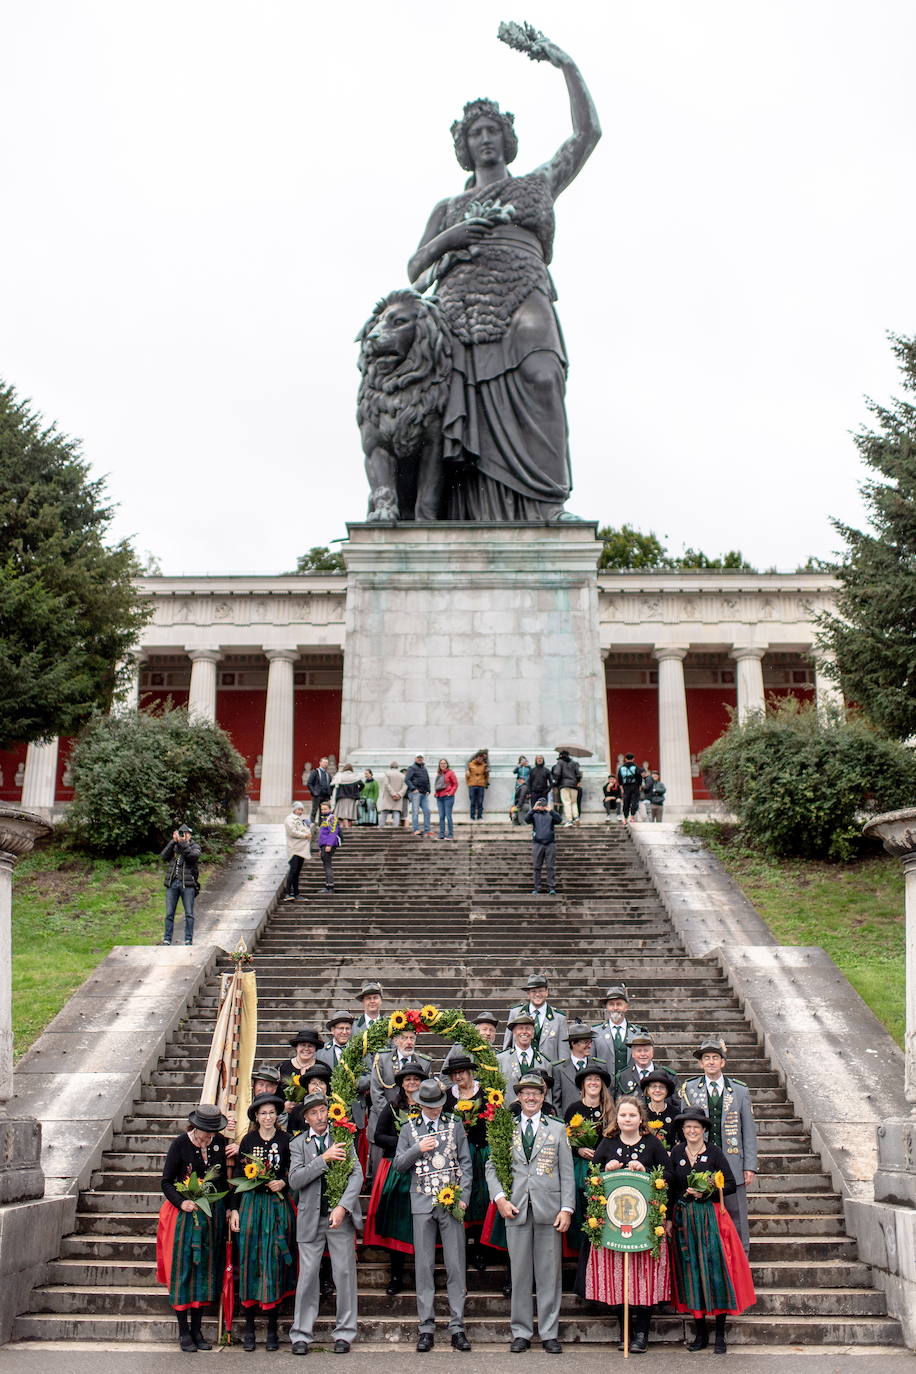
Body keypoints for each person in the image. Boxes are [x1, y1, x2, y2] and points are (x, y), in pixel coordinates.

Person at [406, 35, 600, 521]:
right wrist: (451, 238)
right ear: (464, 146)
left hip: (523, 290)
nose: (486, 138)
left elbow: (587, 134)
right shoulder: (447, 208)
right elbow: (415, 273)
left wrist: (566, 65)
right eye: (476, 133)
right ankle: (465, 514)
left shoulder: (538, 184)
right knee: (459, 406)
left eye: (493, 129)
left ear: (506, 137)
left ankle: (548, 502)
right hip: (461, 307)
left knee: (542, 372)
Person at [485, 1072, 574, 1355]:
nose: (531, 1097)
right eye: (526, 1093)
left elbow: (567, 1173)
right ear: (519, 1097)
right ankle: (521, 1331)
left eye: (536, 1092)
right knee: (520, 1274)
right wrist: (499, 1198)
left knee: (549, 1274)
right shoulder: (504, 1127)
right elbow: (492, 1167)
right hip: (516, 1208)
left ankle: (549, 1332)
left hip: (549, 1209)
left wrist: (567, 1208)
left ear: (543, 1096)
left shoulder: (557, 1129)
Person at [577, 1094, 671, 1354]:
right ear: (616, 1118)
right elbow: (591, 1179)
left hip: (645, 1225)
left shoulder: (653, 1144)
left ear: (641, 1118)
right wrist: (606, 1169)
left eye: (632, 1115)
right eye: (623, 1115)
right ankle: (625, 1331)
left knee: (644, 1278)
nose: (627, 1119)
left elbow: (669, 1176)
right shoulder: (607, 1144)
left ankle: (641, 1332)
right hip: (613, 1227)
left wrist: (648, 1172)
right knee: (620, 1279)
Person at [666, 1108, 756, 1354]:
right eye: (688, 1128)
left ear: (704, 1129)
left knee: (716, 1270)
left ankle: (720, 1334)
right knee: (691, 1271)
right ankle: (700, 1332)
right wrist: (668, 1219)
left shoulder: (714, 1152)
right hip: (685, 1218)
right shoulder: (676, 1153)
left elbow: (728, 1183)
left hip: (710, 1219)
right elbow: (672, 1187)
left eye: (696, 1127)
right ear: (683, 1130)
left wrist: (706, 1190)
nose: (692, 1131)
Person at [394, 1078, 473, 1352]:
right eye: (429, 1106)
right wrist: (418, 1148)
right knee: (424, 1267)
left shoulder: (455, 1124)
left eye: (438, 1105)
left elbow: (465, 1162)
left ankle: (457, 1326)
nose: (435, 1110)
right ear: (419, 1105)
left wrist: (463, 1198)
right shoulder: (409, 1128)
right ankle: (426, 1327)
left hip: (450, 1203)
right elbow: (398, 1165)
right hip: (422, 1203)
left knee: (455, 1265)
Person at [288, 1092, 363, 1355]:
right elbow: (295, 1180)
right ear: (306, 1118)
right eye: (314, 1113)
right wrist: (323, 1159)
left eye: (323, 1111)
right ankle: (301, 1334)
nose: (320, 1117)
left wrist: (343, 1206)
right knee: (307, 1276)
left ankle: (344, 1332)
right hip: (310, 1218)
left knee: (343, 1274)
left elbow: (357, 1175)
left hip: (338, 1217)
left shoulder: (343, 1136)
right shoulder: (298, 1144)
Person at [156, 1103, 229, 1353]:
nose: (207, 1139)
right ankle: (183, 1330)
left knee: (205, 1271)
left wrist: (228, 1207)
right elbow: (166, 1182)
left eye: (211, 1135)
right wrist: (182, 1201)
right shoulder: (180, 1144)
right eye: (204, 1135)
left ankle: (198, 1330)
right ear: (194, 1128)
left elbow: (223, 1182)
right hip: (183, 1216)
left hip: (211, 1215)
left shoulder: (218, 1142)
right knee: (184, 1270)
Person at [228, 1093, 296, 1351]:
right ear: (256, 1117)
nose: (267, 1117)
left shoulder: (285, 1140)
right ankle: (248, 1328)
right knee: (250, 1261)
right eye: (263, 1113)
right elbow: (238, 1179)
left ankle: (271, 1330)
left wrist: (284, 1182)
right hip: (252, 1206)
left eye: (271, 1113)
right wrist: (234, 1210)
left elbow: (294, 1170)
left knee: (273, 1263)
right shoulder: (249, 1140)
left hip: (277, 1206)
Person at [678, 1039, 758, 1254]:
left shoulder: (739, 1091)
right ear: (700, 1063)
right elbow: (686, 1129)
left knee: (736, 1214)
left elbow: (748, 1130)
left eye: (715, 1058)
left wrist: (749, 1165)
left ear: (723, 1062)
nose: (711, 1062)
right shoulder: (690, 1089)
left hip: (732, 1160)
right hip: (701, 1161)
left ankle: (741, 1258)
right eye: (706, 1058)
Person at [363, 1061, 426, 1294]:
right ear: (401, 1083)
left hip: (423, 1170)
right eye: (408, 1079)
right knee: (397, 1222)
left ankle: (423, 1274)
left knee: (422, 1222)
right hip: (396, 1170)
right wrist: (405, 1145)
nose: (412, 1083)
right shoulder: (391, 1107)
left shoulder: (429, 1106)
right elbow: (378, 1136)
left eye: (416, 1079)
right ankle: (396, 1274)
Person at [444, 1053, 493, 1276]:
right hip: (457, 1156)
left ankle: (481, 1249)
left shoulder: (485, 1093)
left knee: (481, 1198)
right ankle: (462, 1247)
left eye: (461, 1072)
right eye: (454, 1073)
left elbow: (493, 1120)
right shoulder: (448, 1097)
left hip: (480, 1152)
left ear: (470, 1072)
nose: (458, 1077)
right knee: (461, 1196)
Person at [564, 1061, 614, 1254]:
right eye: (589, 1079)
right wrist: (579, 1150)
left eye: (597, 1079)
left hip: (602, 1166)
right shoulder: (573, 1109)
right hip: (579, 1164)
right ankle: (578, 1250)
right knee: (578, 1195)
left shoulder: (609, 1111)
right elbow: (565, 1140)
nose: (593, 1082)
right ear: (583, 1085)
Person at [502, 973, 569, 1063]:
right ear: (528, 993)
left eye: (541, 991)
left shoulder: (558, 1018)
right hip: (520, 1069)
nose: (537, 994)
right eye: (533, 991)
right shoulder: (516, 1013)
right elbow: (507, 1045)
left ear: (547, 992)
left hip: (548, 1072)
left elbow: (563, 1052)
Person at [591, 983, 649, 1081]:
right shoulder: (596, 1032)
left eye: (619, 1004)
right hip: (605, 1085)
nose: (615, 1008)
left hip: (631, 1087)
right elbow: (591, 1063)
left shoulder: (638, 1032)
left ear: (626, 1007)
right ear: (606, 1007)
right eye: (611, 1004)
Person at [497, 1012, 551, 1107]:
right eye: (520, 1028)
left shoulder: (544, 1062)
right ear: (514, 1032)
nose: (524, 1032)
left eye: (528, 1028)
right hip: (508, 1115)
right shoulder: (500, 1059)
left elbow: (548, 1096)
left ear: (533, 1033)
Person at [160, 825, 201, 946]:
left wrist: (183, 844)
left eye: (186, 833)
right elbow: (163, 856)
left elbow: (193, 857)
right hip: (172, 883)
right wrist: (173, 841)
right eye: (181, 833)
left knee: (189, 913)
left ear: (190, 835)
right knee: (169, 914)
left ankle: (188, 940)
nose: (184, 835)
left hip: (187, 884)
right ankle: (167, 939)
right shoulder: (175, 846)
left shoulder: (195, 846)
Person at [551, 1022, 597, 1115]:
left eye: (590, 1042)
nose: (590, 1046)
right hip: (569, 1123)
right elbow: (556, 1101)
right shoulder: (559, 1069)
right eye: (586, 1042)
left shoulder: (598, 1066)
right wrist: (561, 1125)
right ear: (573, 1043)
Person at [615, 1031, 676, 1098]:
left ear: (652, 1052)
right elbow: (617, 1104)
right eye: (639, 1051)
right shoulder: (623, 1077)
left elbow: (676, 1103)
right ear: (632, 1054)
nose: (643, 1054)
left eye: (646, 1050)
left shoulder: (668, 1075)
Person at [525, 796, 562, 894]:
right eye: (540, 804)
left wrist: (551, 811)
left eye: (543, 804)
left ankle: (551, 888)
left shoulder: (550, 814)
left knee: (550, 867)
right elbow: (526, 819)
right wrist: (533, 809)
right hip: (538, 843)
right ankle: (537, 888)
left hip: (550, 843)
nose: (541, 806)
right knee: (537, 867)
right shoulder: (534, 815)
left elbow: (559, 820)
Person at [278, 1027, 322, 1109]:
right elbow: (274, 1094)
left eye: (310, 1046)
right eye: (303, 1045)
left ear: (315, 1048)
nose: (306, 1049)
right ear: (296, 1047)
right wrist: (283, 1106)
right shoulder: (282, 1067)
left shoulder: (322, 1068)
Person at [640, 1070, 681, 1151]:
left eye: (661, 1087)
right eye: (654, 1086)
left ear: (666, 1091)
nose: (657, 1090)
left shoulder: (675, 1113)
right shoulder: (641, 1113)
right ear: (648, 1090)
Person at [283, 801, 312, 902]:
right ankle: (287, 893)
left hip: (302, 849)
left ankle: (296, 893)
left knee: (297, 872)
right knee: (293, 871)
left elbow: (307, 831)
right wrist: (305, 835)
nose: (300, 811)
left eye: (301, 810)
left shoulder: (301, 820)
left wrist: (307, 832)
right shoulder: (290, 819)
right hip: (294, 849)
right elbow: (292, 832)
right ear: (294, 809)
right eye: (299, 809)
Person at [551, 750, 581, 826]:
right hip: (574, 785)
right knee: (574, 802)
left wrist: (556, 782)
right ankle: (576, 817)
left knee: (567, 802)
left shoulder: (560, 762)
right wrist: (576, 781)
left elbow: (557, 773)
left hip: (564, 785)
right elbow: (578, 775)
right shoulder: (574, 763)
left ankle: (569, 820)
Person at [317, 800, 342, 890]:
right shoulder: (324, 819)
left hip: (328, 845)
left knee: (327, 865)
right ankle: (328, 885)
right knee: (326, 865)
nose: (323, 811)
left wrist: (329, 845)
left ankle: (330, 886)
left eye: (325, 809)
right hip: (324, 845)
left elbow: (333, 832)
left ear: (330, 809)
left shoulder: (331, 818)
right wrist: (320, 848)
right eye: (322, 809)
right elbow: (322, 834)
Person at [405, 754, 432, 837]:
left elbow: (427, 780)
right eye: (418, 757)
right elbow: (407, 779)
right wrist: (413, 789)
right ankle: (416, 829)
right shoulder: (411, 768)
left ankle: (427, 830)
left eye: (421, 758)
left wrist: (428, 790)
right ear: (415, 758)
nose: (420, 759)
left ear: (423, 759)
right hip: (415, 793)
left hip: (424, 793)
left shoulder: (424, 768)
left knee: (427, 811)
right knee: (415, 811)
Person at [331, 762, 362, 828]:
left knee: (341, 816)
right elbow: (362, 785)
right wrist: (357, 790)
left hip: (341, 798)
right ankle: (348, 828)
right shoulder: (354, 776)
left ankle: (342, 829)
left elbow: (332, 785)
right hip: (351, 798)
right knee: (349, 815)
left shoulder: (339, 775)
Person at [434, 757, 459, 839]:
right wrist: (436, 793)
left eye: (444, 763)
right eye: (441, 763)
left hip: (448, 797)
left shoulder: (451, 773)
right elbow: (438, 786)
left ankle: (450, 834)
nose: (443, 765)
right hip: (439, 798)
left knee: (448, 816)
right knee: (441, 816)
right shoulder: (438, 774)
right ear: (439, 765)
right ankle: (441, 834)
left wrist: (451, 793)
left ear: (447, 764)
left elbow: (455, 784)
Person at [617, 753, 642, 826]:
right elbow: (639, 778)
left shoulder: (621, 768)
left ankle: (625, 819)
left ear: (625, 759)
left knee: (626, 802)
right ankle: (632, 817)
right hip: (635, 786)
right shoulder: (636, 767)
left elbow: (620, 779)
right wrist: (639, 787)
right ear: (633, 759)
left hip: (625, 787)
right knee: (634, 802)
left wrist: (622, 788)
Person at [306, 757, 333, 824]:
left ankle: (322, 826)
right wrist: (314, 792)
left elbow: (330, 785)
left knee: (323, 812)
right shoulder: (315, 772)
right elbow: (309, 783)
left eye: (326, 763)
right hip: (317, 795)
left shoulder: (328, 774)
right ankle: (312, 825)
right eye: (324, 762)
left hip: (325, 796)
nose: (325, 764)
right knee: (314, 811)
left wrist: (330, 794)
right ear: (320, 763)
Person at [465, 749, 489, 821]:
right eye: (479, 757)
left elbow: (486, 776)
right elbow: (467, 776)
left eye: (482, 758)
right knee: (472, 801)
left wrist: (485, 783)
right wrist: (468, 783)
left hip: (481, 785)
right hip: (472, 785)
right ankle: (472, 817)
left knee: (480, 802)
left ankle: (479, 816)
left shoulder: (484, 765)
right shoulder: (470, 764)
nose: (480, 759)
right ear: (476, 757)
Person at [378, 763, 405, 827]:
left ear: (390, 766)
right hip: (398, 798)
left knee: (384, 813)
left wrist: (393, 794)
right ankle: (395, 828)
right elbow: (405, 787)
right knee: (396, 812)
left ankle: (380, 827)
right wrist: (398, 794)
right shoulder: (402, 775)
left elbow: (386, 784)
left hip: (388, 797)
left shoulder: (387, 774)